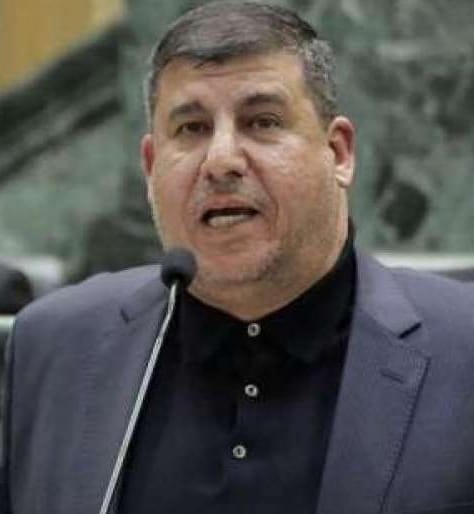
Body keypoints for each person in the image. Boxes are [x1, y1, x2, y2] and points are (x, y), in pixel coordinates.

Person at [2, 3, 474, 514]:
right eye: (192, 128)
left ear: (339, 153)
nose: (221, 160)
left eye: (262, 122)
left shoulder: (462, 352)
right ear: (151, 167)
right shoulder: (53, 348)